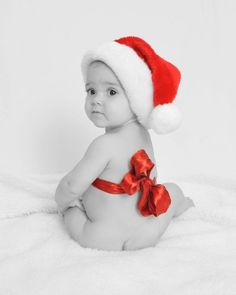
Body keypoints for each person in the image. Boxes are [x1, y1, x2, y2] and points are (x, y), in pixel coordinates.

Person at [54, 36, 195, 251]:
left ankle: (70, 213)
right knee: (172, 191)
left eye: (111, 92)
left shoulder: (103, 144)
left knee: (72, 212)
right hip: (146, 231)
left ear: (136, 99)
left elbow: (72, 186)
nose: (96, 99)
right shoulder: (143, 134)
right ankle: (183, 204)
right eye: (91, 90)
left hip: (102, 236)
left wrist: (63, 201)